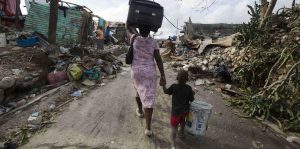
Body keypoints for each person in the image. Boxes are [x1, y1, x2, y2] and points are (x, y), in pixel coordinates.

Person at [128, 24, 166, 136]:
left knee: (138, 91)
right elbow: (158, 59)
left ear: (139, 28)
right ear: (150, 29)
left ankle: (140, 111)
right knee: (148, 99)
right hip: (149, 72)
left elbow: (128, 26)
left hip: (136, 72)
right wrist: (162, 74)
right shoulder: (153, 42)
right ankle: (148, 129)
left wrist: (132, 17)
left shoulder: (134, 38)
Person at [162, 70, 195, 149]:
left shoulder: (174, 87)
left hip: (175, 113)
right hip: (184, 112)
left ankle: (173, 143)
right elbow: (192, 100)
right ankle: (181, 133)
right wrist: (193, 93)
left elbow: (166, 91)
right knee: (182, 121)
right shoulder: (189, 88)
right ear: (187, 80)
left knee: (174, 127)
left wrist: (163, 85)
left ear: (177, 78)